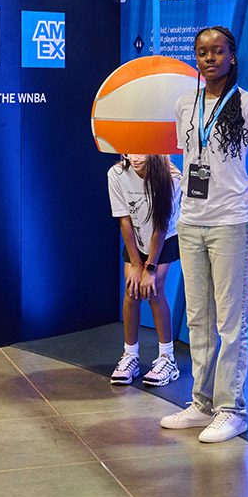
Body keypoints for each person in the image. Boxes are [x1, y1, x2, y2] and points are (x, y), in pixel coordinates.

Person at [160, 25, 248, 444]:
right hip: (191, 223)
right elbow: (191, 158)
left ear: (232, 56)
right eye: (202, 52)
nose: (210, 58)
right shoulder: (184, 105)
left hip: (231, 225)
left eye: (217, 51)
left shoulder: (247, 105)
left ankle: (232, 409)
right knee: (199, 319)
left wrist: (245, 206)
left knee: (231, 321)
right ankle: (202, 403)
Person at [107, 153, 183, 387]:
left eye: (141, 151)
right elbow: (124, 220)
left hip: (164, 239)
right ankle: (130, 355)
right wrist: (136, 264)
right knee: (132, 290)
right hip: (137, 239)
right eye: (130, 150)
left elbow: (161, 226)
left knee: (154, 291)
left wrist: (149, 268)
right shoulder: (116, 174)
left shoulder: (172, 178)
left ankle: (167, 359)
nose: (135, 157)